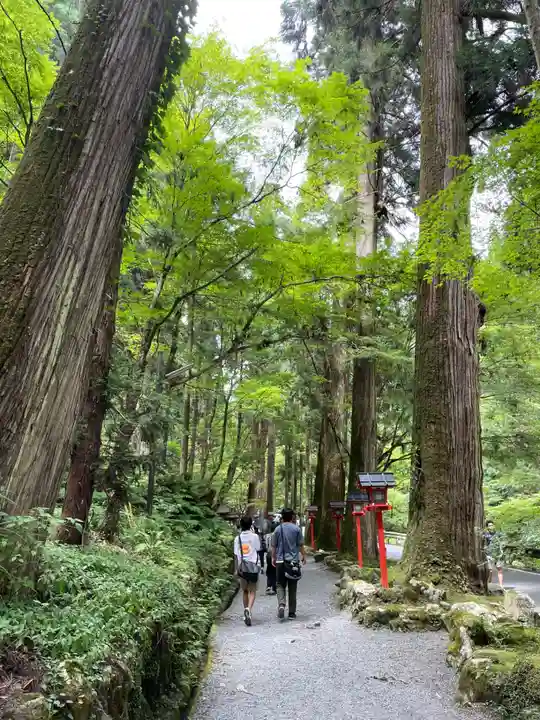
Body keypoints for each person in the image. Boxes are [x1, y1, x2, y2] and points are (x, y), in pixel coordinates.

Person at [271, 508, 306, 620]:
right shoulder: (296, 529)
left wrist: (273, 557)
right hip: (293, 562)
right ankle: (291, 613)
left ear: (282, 517)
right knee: (292, 587)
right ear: (292, 517)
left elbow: (273, 546)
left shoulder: (277, 529)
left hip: (281, 561)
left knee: (280, 585)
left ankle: (281, 604)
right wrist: (304, 556)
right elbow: (300, 545)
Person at [234, 517, 260, 626]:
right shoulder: (255, 536)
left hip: (242, 567)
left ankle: (245, 611)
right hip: (253, 565)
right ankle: (249, 609)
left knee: (244, 590)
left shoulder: (237, 538)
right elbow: (258, 548)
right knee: (252, 591)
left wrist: (236, 568)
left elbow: (236, 555)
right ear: (251, 525)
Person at [484, 519, 504, 586]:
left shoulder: (498, 534)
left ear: (494, 526)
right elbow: (485, 544)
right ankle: (489, 584)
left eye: (492, 525)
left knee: (499, 569)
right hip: (489, 554)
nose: (491, 526)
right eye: (489, 525)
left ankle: (501, 585)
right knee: (490, 570)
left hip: (498, 554)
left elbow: (502, 542)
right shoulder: (486, 535)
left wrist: (501, 551)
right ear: (487, 527)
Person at [265, 521, 277, 595]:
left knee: (269, 570)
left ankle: (268, 585)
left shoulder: (267, 536)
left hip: (268, 554)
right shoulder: (276, 535)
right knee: (275, 571)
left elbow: (266, 546)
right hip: (275, 554)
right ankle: (274, 587)